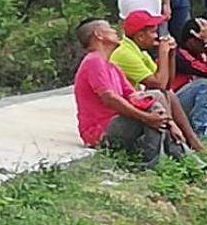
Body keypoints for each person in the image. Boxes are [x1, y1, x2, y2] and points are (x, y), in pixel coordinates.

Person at [73, 18, 188, 169]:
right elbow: (109, 98)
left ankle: (182, 161)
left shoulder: (112, 67)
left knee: (153, 100)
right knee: (154, 102)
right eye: (110, 28)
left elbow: (136, 96)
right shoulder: (94, 61)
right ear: (99, 35)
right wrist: (146, 117)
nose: (115, 31)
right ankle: (154, 164)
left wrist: (170, 122)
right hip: (99, 131)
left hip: (117, 124)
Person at [109, 10, 207, 153]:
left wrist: (171, 55)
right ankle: (176, 145)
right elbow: (159, 84)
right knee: (159, 94)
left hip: (136, 102)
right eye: (153, 32)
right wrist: (163, 53)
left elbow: (167, 84)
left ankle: (190, 139)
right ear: (140, 36)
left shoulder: (139, 51)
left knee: (168, 94)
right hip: (124, 110)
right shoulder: (125, 53)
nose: (157, 36)